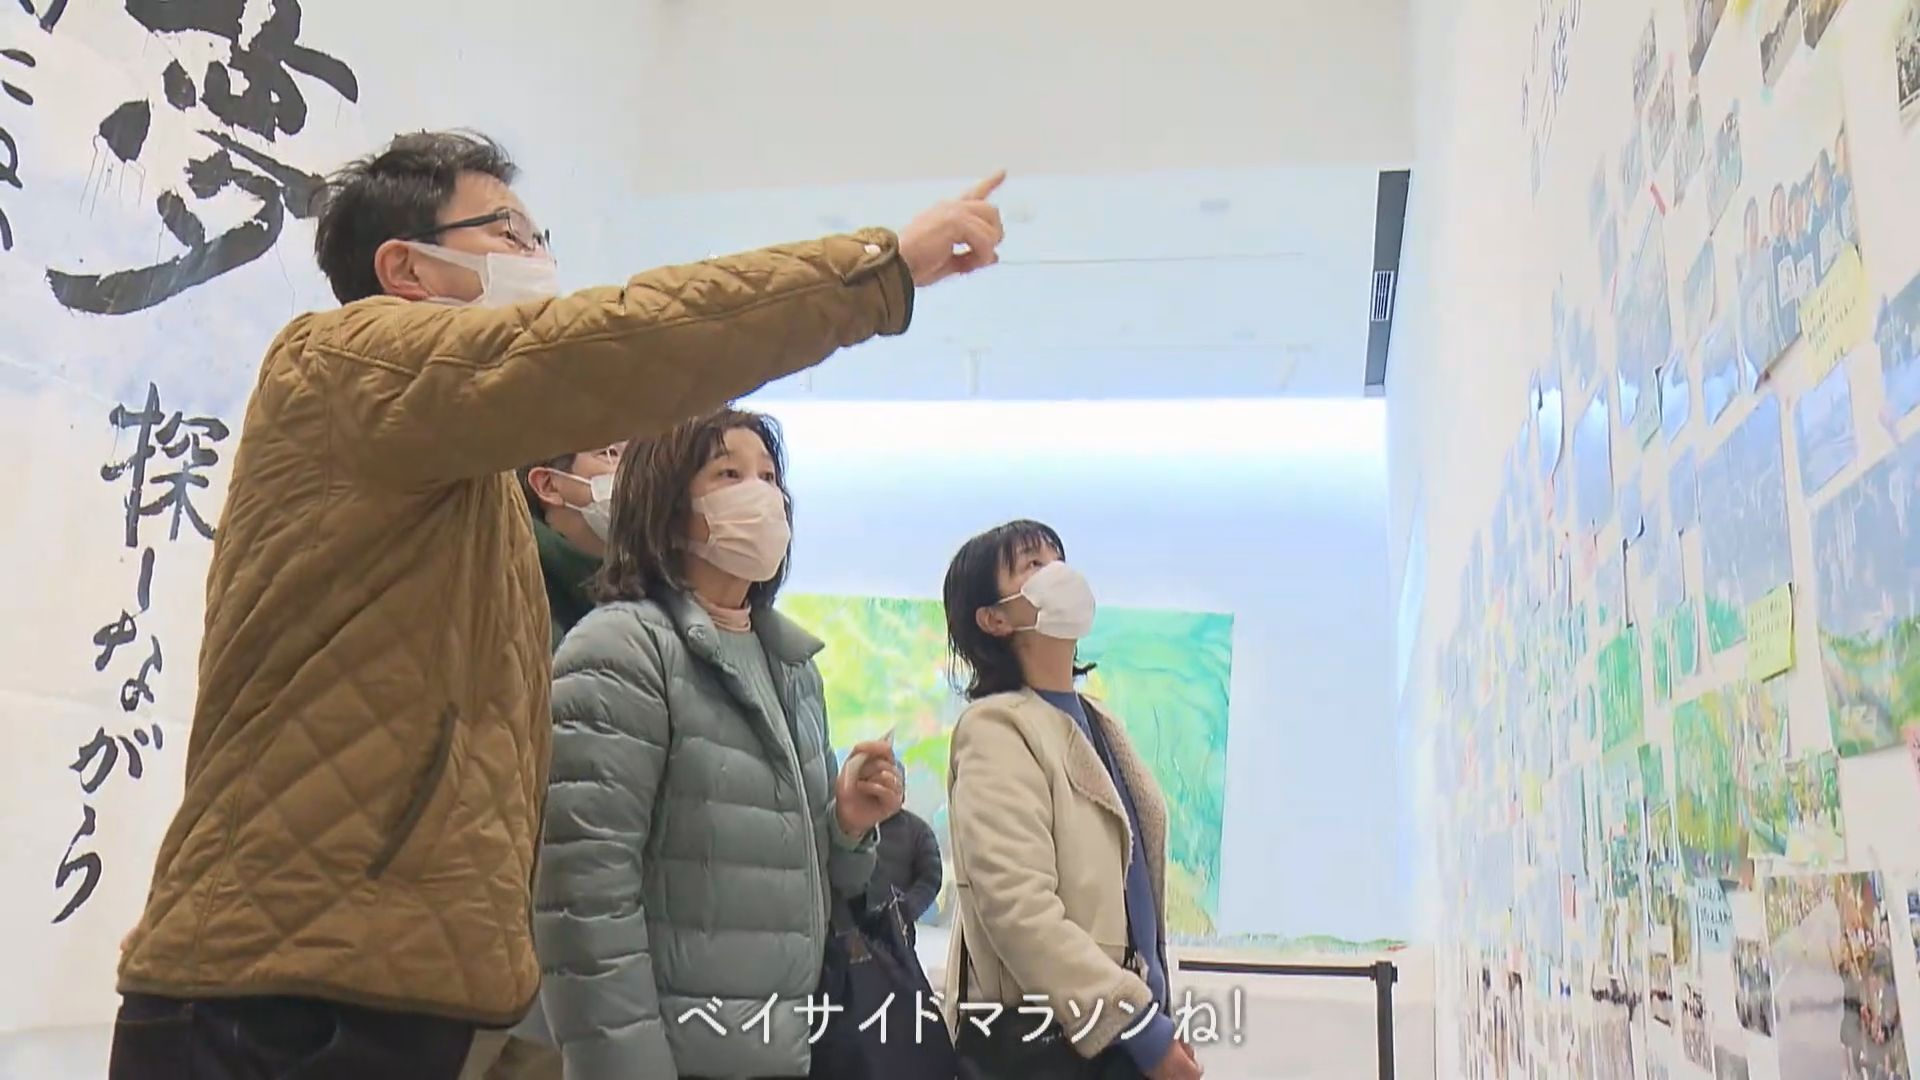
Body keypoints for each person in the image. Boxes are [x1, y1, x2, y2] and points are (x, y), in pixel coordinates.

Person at [107, 129, 1003, 1080]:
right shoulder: (342, 362)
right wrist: (874, 273)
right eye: (508, 231)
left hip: (422, 993)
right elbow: (610, 344)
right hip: (288, 997)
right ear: (404, 267)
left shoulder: (471, 485)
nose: (537, 257)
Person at [534, 407, 904, 1080]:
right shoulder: (620, 650)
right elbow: (584, 902)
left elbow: (821, 886)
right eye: (729, 474)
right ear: (668, 507)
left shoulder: (792, 665)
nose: (760, 494)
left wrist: (848, 825)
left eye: (769, 476)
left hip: (780, 1049)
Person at [939, 520, 1202, 1080]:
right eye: (1032, 565)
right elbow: (1019, 909)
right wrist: (1140, 1029)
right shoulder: (997, 728)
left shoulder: (1099, 725)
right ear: (994, 618)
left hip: (1122, 1035)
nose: (1057, 573)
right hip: (1054, 1044)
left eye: (1057, 559)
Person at [458, 444, 626, 1080]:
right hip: (477, 938)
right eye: (610, 453)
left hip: (579, 959)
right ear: (548, 484)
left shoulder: (644, 613)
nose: (630, 471)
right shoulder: (494, 578)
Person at [864, 801, 944, 935]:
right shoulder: (847, 819)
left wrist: (904, 910)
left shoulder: (918, 831)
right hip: (843, 930)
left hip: (894, 934)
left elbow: (931, 878)